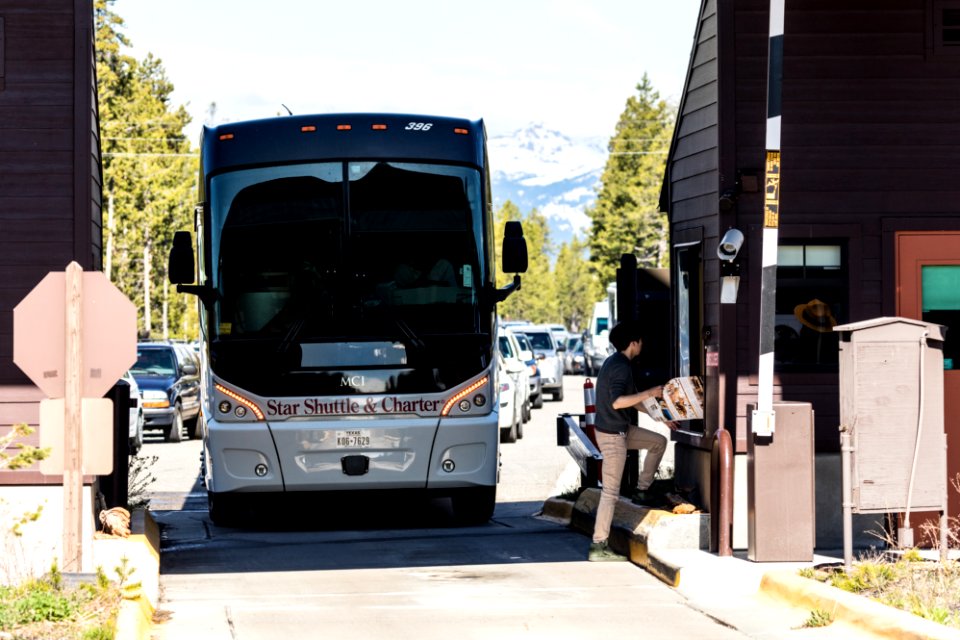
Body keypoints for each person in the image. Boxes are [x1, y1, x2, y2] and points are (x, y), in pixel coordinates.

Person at [588, 320, 676, 562]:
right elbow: (618, 402)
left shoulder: (617, 362)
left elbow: (633, 401)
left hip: (621, 430)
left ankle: (641, 490)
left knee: (658, 442)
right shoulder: (620, 367)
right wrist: (650, 392)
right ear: (633, 342)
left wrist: (663, 418)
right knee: (610, 493)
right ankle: (598, 545)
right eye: (640, 341)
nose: (643, 345)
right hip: (612, 435)